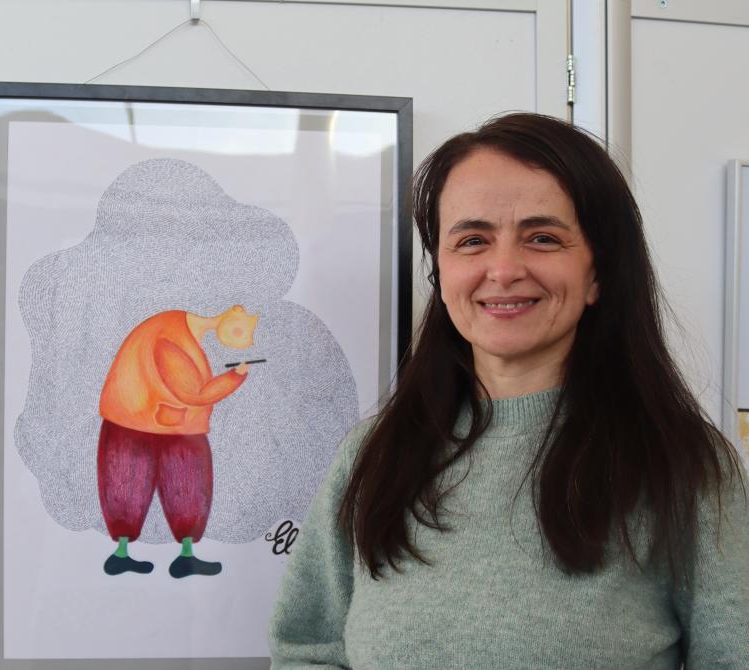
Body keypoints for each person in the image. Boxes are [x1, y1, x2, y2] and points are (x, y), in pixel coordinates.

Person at [268, 113, 749, 668]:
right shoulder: (371, 456)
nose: (502, 269)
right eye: (472, 240)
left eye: (542, 238)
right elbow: (307, 650)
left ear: (597, 274)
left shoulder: (682, 466)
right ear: (441, 272)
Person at [97, 305, 257, 577]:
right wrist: (235, 377)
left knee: (187, 487)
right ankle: (124, 555)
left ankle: (183, 557)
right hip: (136, 423)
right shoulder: (169, 335)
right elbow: (193, 393)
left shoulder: (184, 333)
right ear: (232, 312)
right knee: (130, 484)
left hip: (170, 425)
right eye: (243, 332)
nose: (247, 342)